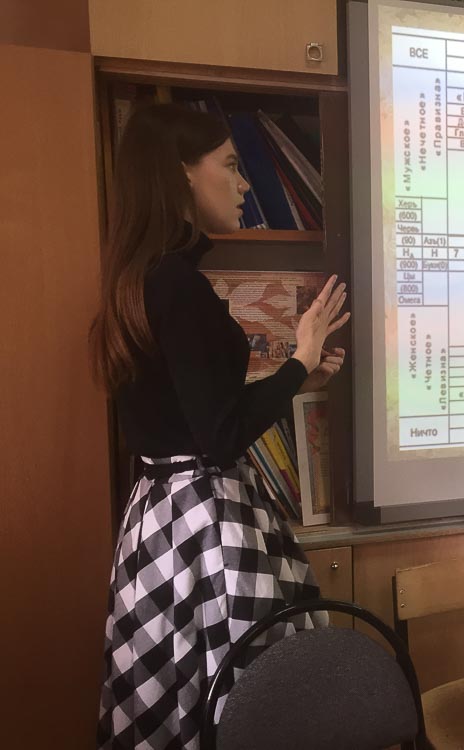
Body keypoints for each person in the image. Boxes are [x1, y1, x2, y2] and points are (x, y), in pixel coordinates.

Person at [89, 103, 349, 749]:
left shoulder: (145, 275)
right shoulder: (176, 284)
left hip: (161, 517)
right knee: (246, 706)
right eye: (231, 165)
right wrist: (299, 359)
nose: (244, 183)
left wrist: (296, 379)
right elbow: (220, 437)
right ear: (183, 173)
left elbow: (194, 415)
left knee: (177, 698)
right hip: (204, 520)